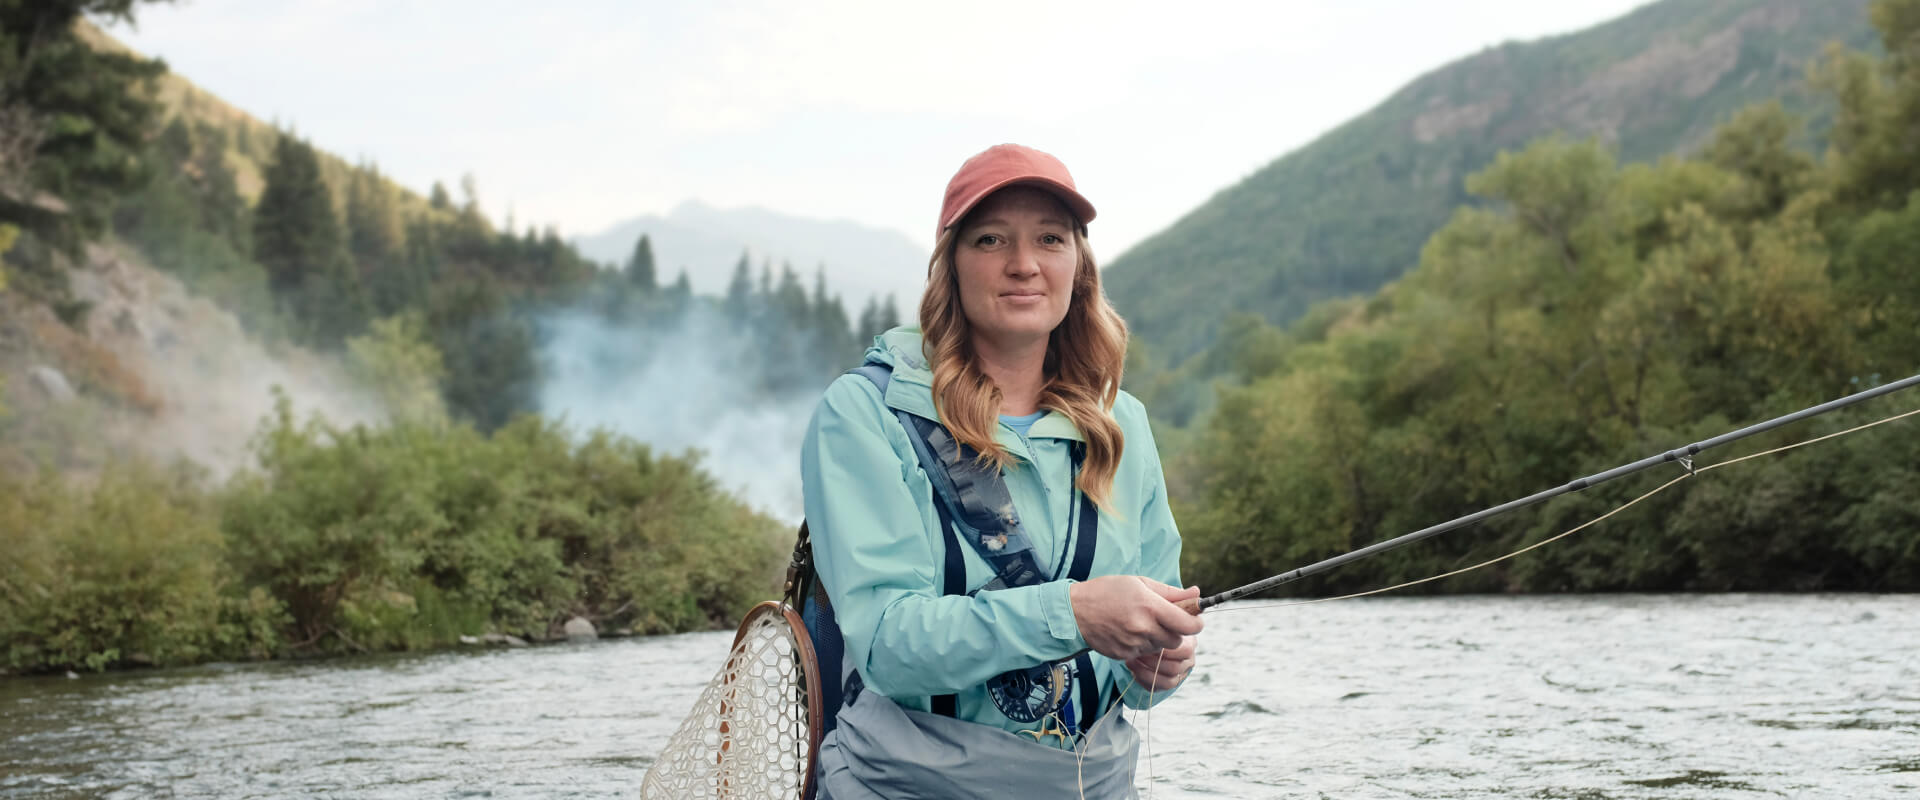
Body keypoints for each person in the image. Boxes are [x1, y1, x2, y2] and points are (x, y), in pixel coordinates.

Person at [800, 143, 1202, 798]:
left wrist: (1162, 663)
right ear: (951, 266)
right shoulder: (862, 414)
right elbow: (887, 644)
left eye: (1050, 238)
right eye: (991, 240)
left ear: (1079, 266)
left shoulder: (1122, 421)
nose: (1024, 265)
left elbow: (1150, 642)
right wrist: (1074, 613)